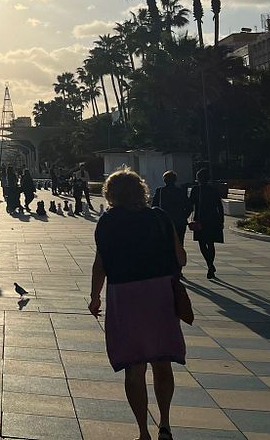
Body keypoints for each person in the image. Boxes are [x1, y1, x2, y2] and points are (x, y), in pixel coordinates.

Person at [89, 169, 186, 440]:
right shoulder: (160, 217)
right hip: (160, 296)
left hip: (125, 297)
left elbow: (100, 265)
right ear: (141, 190)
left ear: (110, 194)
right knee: (162, 362)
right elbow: (181, 258)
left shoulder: (108, 222)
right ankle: (165, 425)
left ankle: (143, 432)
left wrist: (95, 297)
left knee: (134, 367)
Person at [189, 169, 224, 279]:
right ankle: (210, 265)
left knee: (202, 243)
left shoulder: (195, 189)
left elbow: (190, 204)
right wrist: (221, 220)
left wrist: (185, 216)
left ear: (198, 178)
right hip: (212, 219)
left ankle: (209, 265)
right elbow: (219, 206)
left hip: (200, 219)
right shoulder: (213, 190)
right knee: (211, 243)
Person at [151, 172, 193, 246]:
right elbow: (189, 207)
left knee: (166, 244)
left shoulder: (160, 191)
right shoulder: (180, 192)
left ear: (164, 180)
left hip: (164, 222)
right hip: (179, 222)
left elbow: (154, 207)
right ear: (175, 180)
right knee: (180, 243)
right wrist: (184, 217)